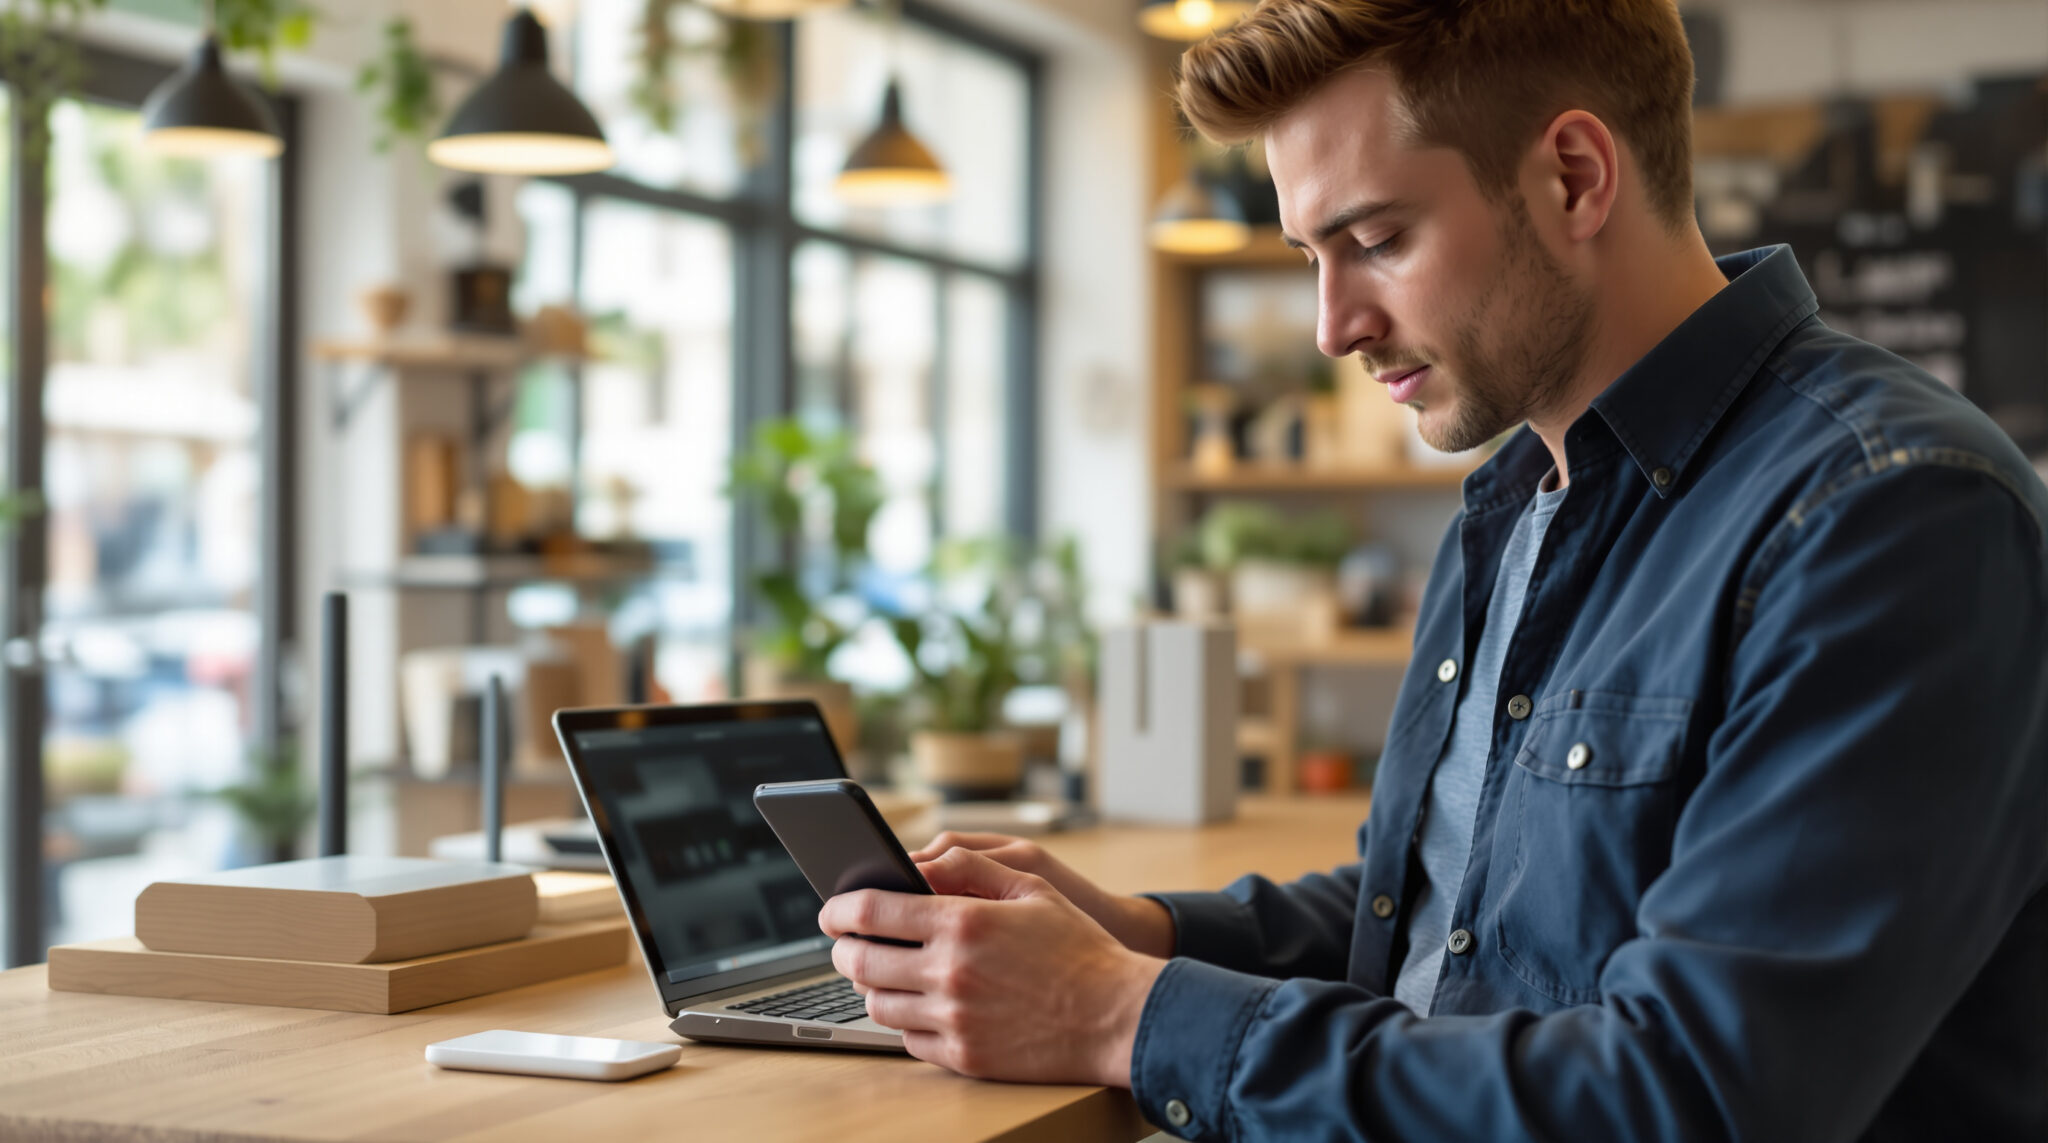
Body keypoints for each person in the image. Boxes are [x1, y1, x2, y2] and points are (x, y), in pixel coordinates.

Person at [818, 1, 2048, 1138]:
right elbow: (1450, 918)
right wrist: (1131, 937)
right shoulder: (1518, 501)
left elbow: (1691, 1099)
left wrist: (1118, 1013)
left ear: (1573, 177)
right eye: (1311, 255)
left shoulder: (1887, 514)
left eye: (1374, 239)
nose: (1331, 325)